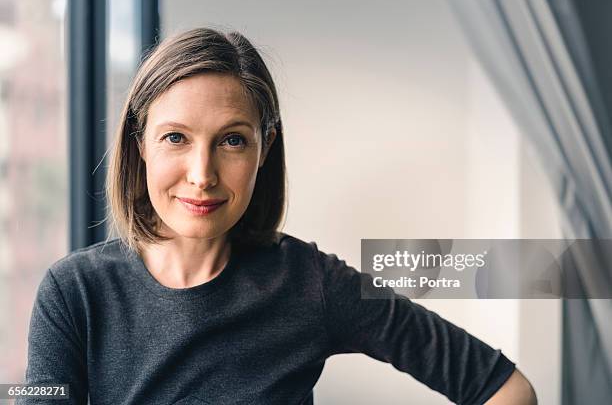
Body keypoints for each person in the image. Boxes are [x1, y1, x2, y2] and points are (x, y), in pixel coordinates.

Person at [19, 28, 537, 404]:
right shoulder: (72, 292)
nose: (202, 174)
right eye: (176, 137)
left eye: (232, 141)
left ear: (264, 149)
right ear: (141, 146)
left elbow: (504, 389)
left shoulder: (311, 281)